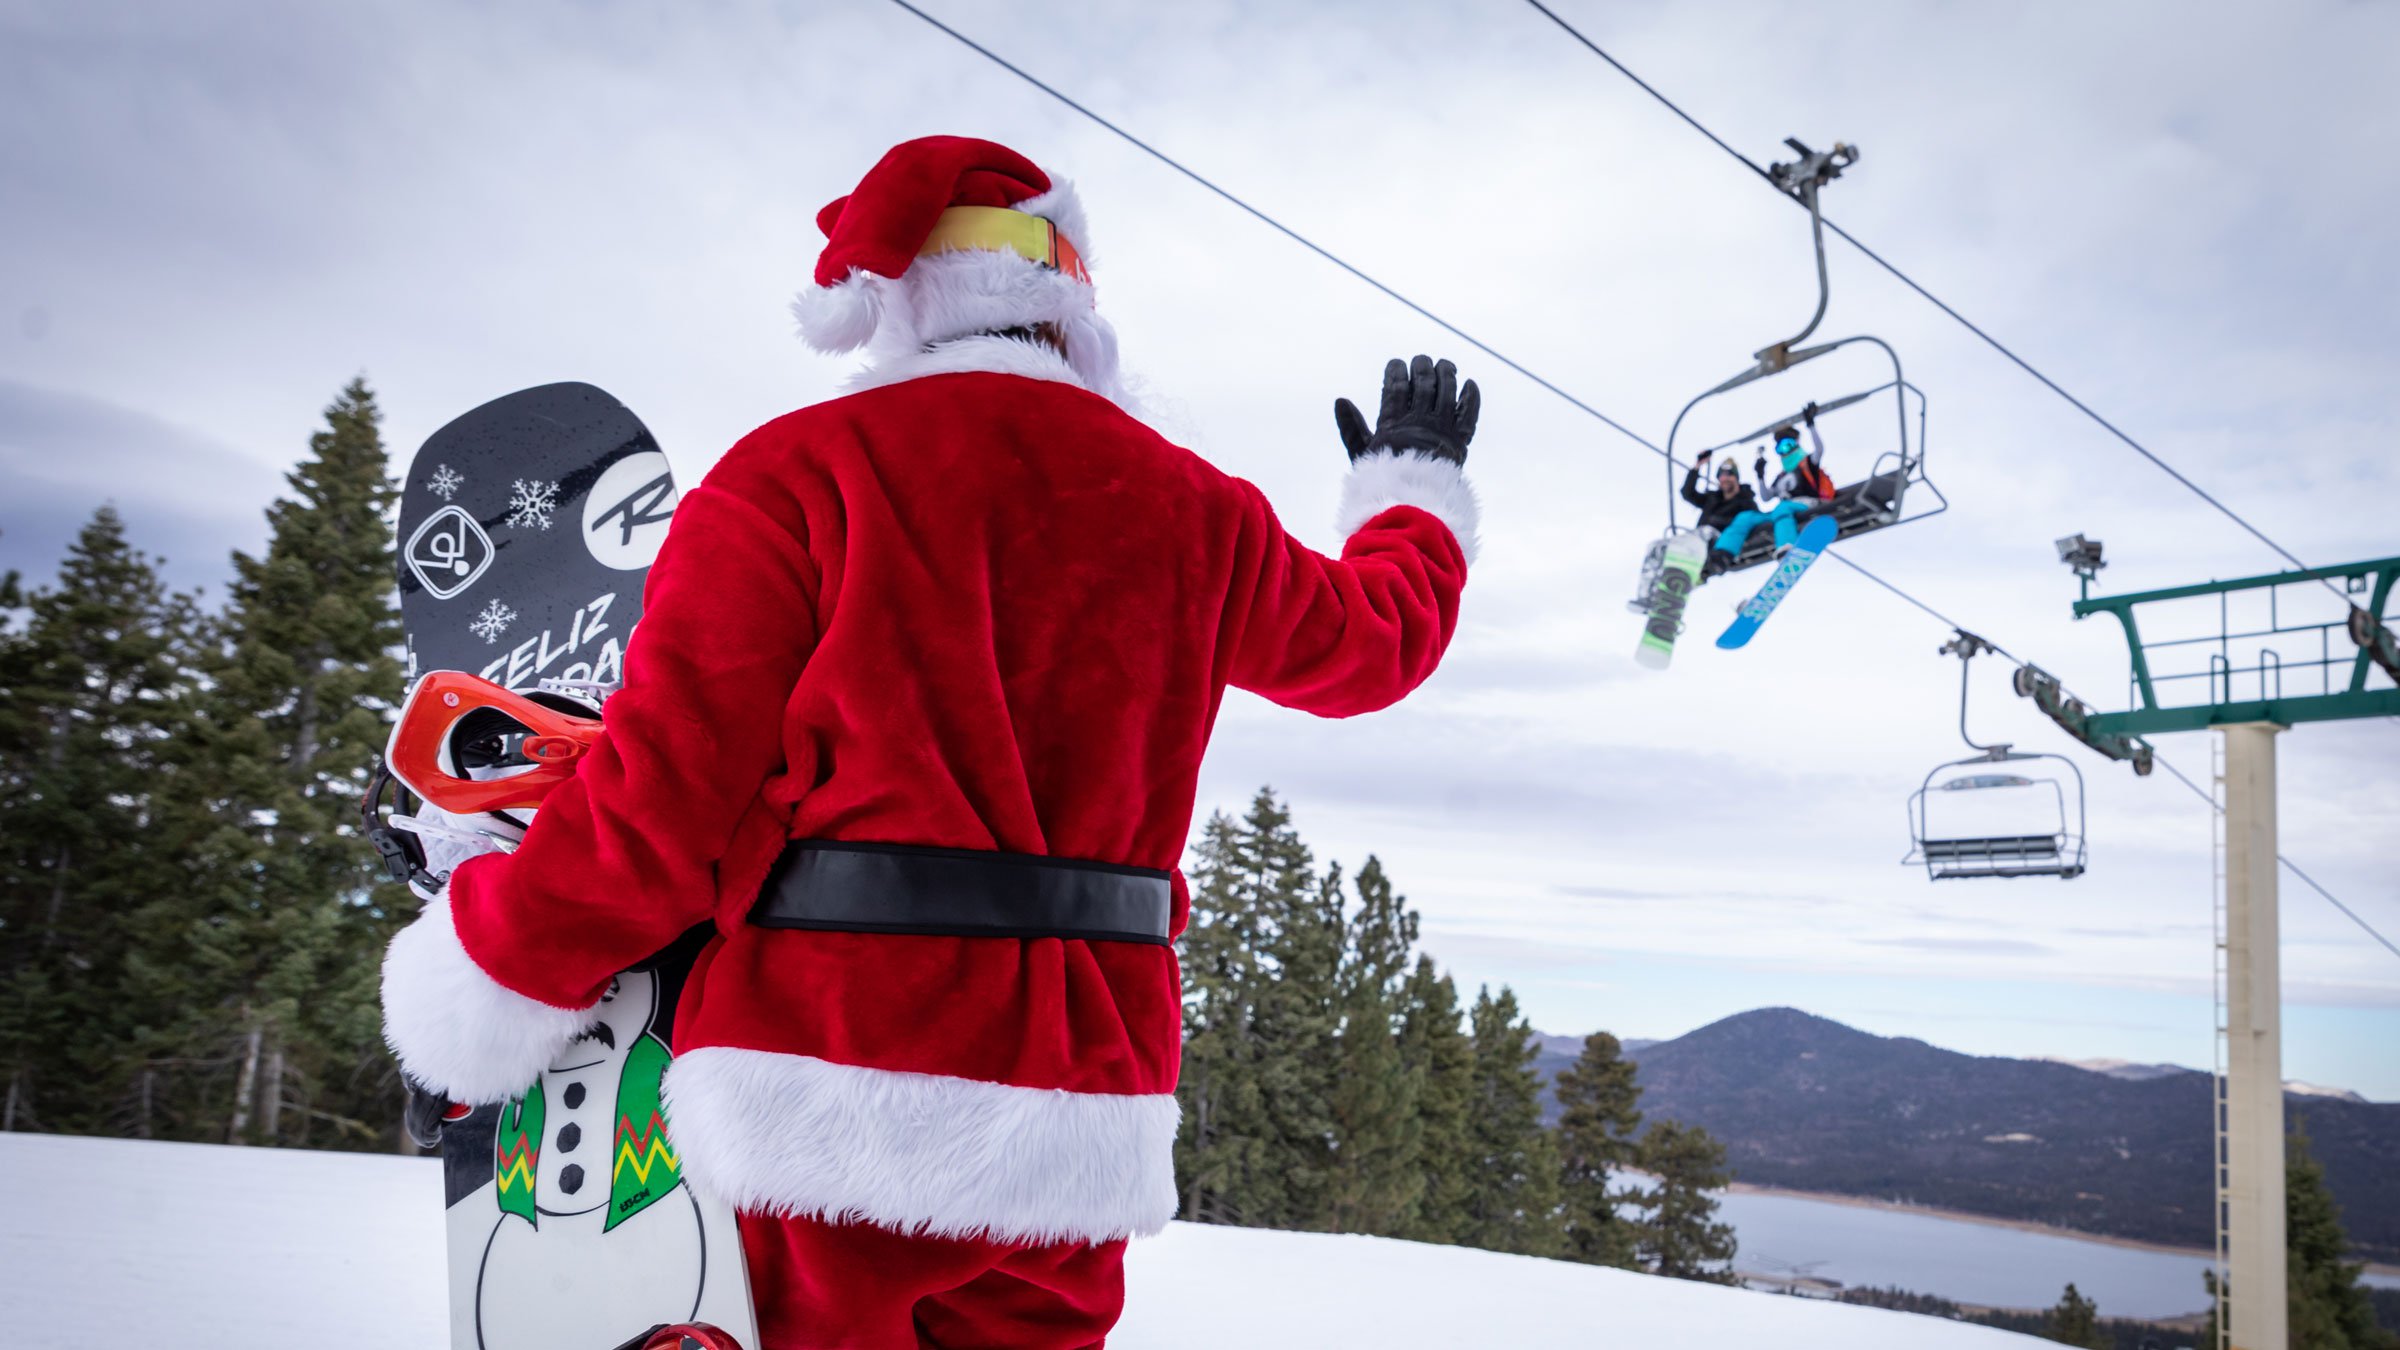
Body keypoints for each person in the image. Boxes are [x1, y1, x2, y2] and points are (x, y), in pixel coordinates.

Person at [378, 135, 1484, 1349]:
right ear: (1073, 313)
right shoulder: (1192, 510)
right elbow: (1375, 642)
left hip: (827, 1102)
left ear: (897, 310)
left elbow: (660, 805)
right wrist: (1410, 495)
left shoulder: (794, 480)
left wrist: (490, 977)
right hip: (1081, 1118)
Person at [1714, 401, 1837, 561]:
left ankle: (1787, 547)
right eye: (1780, 448)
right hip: (1782, 511)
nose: (1785, 451)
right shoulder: (1780, 477)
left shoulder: (1807, 464)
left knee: (1782, 508)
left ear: (1796, 444)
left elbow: (1819, 450)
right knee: (1745, 517)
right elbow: (1766, 497)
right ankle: (1723, 553)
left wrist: (1811, 425)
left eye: (1788, 445)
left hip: (1807, 503)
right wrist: (1760, 475)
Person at [1682, 449, 1757, 580]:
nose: (1724, 478)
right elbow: (1688, 493)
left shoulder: (1745, 501)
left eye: (1729, 475)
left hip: (1722, 542)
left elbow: (1750, 522)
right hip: (1700, 541)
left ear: (1736, 478)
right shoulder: (1712, 499)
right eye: (1721, 476)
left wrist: (1719, 522)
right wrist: (1698, 466)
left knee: (1707, 533)